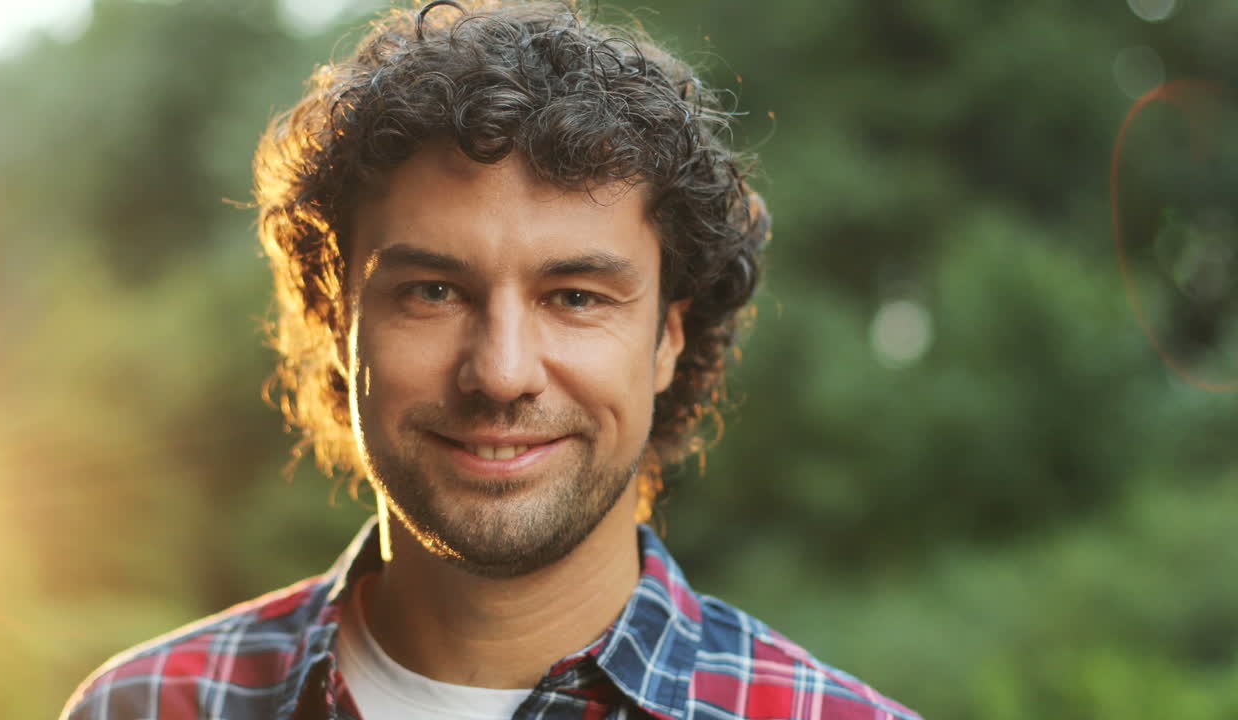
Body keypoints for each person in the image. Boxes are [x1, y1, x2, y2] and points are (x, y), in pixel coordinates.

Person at [61, 1, 921, 718]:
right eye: (434, 292)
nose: (503, 373)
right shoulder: (142, 708)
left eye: (575, 297)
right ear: (337, 319)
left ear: (669, 338)